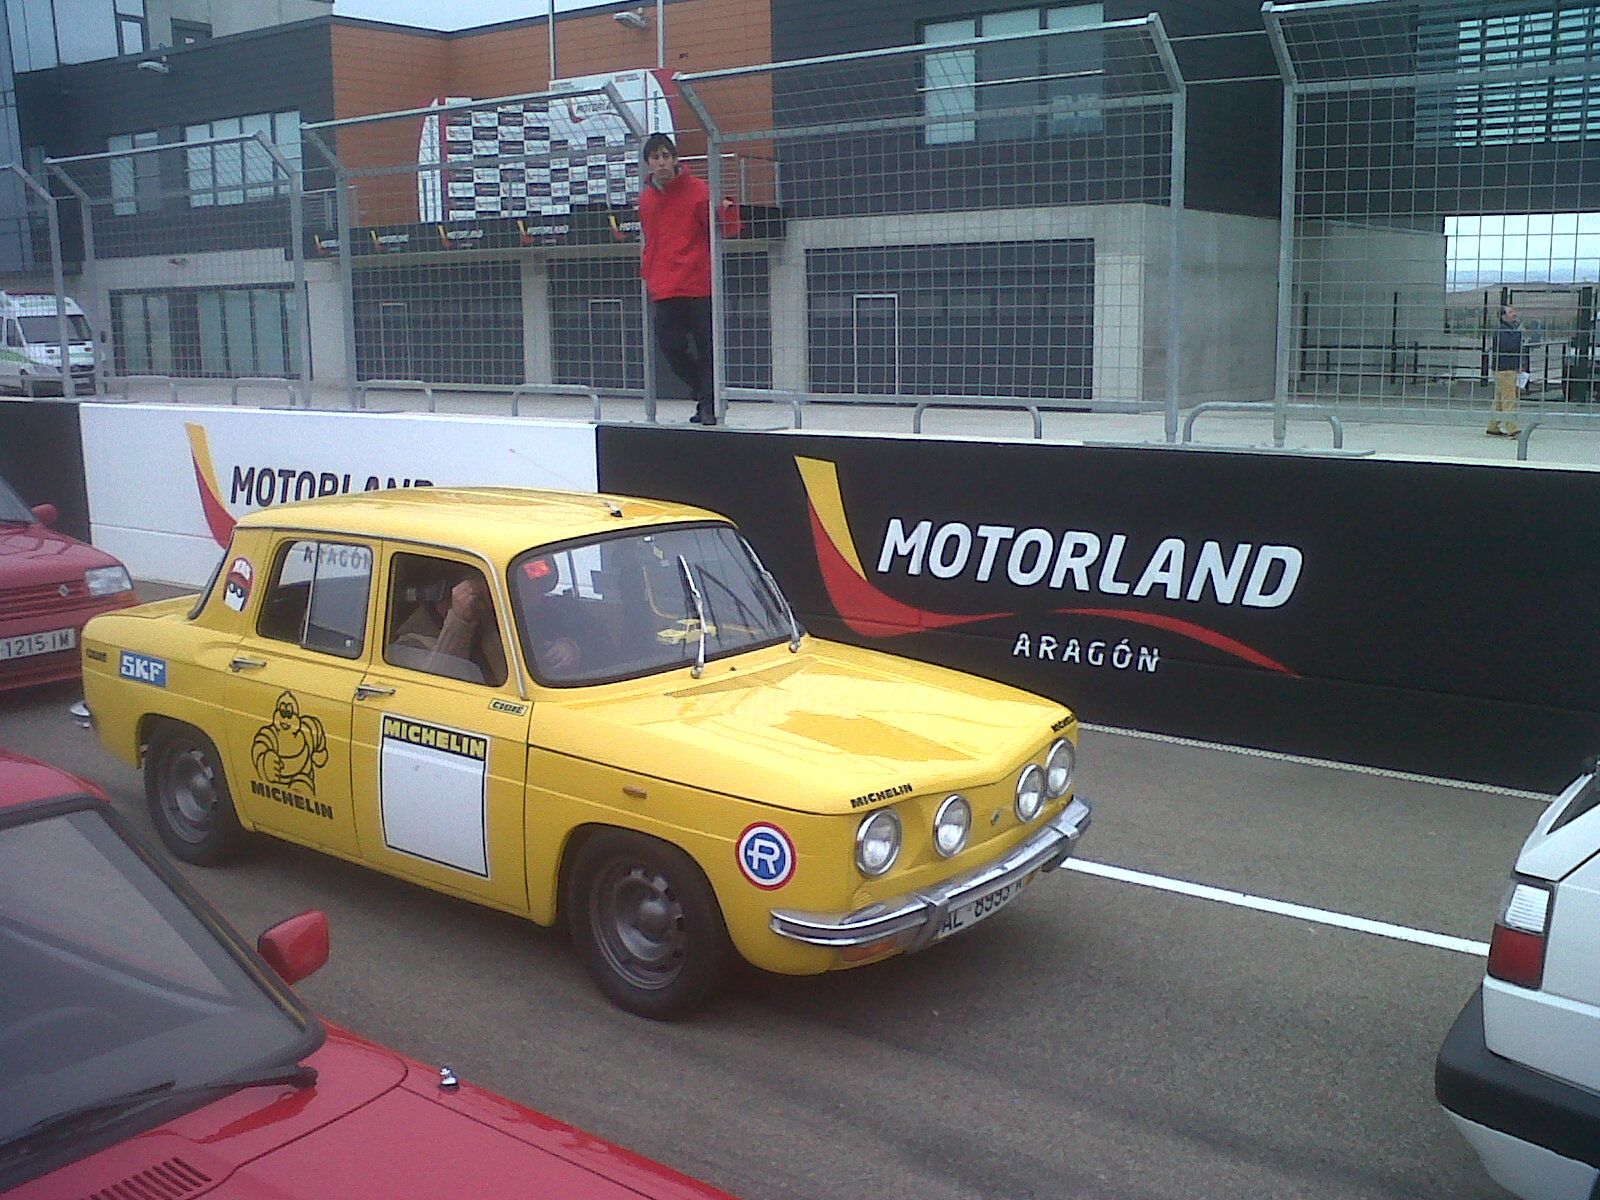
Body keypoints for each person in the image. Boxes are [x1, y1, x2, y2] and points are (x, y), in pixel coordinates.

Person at [638, 132, 742, 427]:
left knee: (707, 347)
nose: (661, 163)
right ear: (648, 163)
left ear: (675, 160)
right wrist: (650, 272)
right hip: (665, 285)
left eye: (666, 156)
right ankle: (706, 393)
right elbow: (653, 240)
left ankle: (708, 405)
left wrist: (728, 210)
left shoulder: (697, 191)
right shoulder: (646, 199)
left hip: (698, 283)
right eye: (655, 157)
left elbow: (724, 228)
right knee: (670, 346)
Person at [391, 567, 507, 686]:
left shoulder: (483, 626)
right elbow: (436, 688)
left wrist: (487, 620)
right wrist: (459, 619)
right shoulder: (408, 646)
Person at [1487, 303, 1526, 438]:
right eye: (1510, 312)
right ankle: (1513, 429)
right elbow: (1510, 346)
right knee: (1509, 399)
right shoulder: (1502, 331)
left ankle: (1492, 427)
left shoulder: (1509, 330)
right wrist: (1519, 334)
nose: (1514, 314)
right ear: (1503, 316)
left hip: (1505, 368)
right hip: (1505, 370)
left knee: (1499, 399)